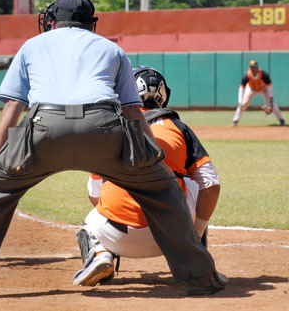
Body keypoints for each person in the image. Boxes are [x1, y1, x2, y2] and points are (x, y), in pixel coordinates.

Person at [0, 0, 227, 298]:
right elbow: (132, 111)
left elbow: (13, 108)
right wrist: (156, 160)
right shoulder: (113, 50)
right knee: (162, 189)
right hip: (105, 128)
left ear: (53, 20)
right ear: (92, 23)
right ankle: (201, 276)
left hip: (43, 128)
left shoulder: (32, 46)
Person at [73, 66, 221, 287]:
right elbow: (211, 184)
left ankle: (100, 254)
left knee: (90, 220)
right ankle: (194, 263)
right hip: (174, 235)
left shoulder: (109, 129)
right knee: (194, 186)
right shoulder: (178, 128)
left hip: (115, 235)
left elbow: (95, 193)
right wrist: (195, 235)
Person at [232, 60, 284, 127]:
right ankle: (235, 121)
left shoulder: (264, 75)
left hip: (263, 89)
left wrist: (270, 100)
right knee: (243, 104)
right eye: (251, 67)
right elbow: (241, 88)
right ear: (249, 68)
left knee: (272, 105)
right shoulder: (246, 76)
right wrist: (240, 101)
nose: (253, 69)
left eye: (254, 67)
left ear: (257, 68)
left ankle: (281, 120)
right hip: (251, 89)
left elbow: (270, 87)